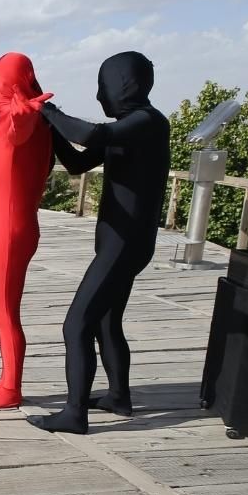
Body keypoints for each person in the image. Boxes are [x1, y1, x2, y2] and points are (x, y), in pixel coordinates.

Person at [29, 51, 170, 434]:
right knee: (107, 322)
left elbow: (91, 134)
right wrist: (50, 128)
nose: (97, 97)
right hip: (120, 242)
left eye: (102, 86)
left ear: (124, 84)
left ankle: (74, 413)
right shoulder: (129, 126)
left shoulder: (147, 122)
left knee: (75, 325)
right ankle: (118, 396)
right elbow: (77, 163)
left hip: (123, 245)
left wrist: (49, 111)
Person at [0, 54, 53, 411]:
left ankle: (11, 386)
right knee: (3, 310)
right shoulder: (17, 118)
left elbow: (20, 132)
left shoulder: (22, 119)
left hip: (7, 232)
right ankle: (6, 378)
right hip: (5, 229)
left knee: (5, 312)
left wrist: (21, 117)